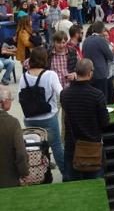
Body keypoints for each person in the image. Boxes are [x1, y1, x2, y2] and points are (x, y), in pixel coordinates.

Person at [18, 47, 64, 177]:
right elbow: (61, 93)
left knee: (38, 147)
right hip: (48, 117)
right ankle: (66, 173)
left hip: (30, 119)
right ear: (45, 59)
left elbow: (19, 97)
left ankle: (41, 174)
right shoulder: (50, 75)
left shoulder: (23, 77)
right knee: (56, 146)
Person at [61, 59, 110, 181]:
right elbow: (105, 123)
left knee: (73, 185)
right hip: (92, 146)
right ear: (90, 73)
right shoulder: (97, 95)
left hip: (72, 145)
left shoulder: (65, 94)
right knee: (95, 186)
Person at [0, 85, 29, 188]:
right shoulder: (12, 123)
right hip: (8, 181)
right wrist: (24, 172)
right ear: (3, 102)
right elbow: (20, 153)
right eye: (10, 99)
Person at [82, 21, 114, 102]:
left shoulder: (86, 40)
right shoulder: (101, 40)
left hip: (88, 73)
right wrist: (113, 51)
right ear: (103, 30)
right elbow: (111, 56)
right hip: (100, 73)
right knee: (102, 97)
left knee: (92, 97)